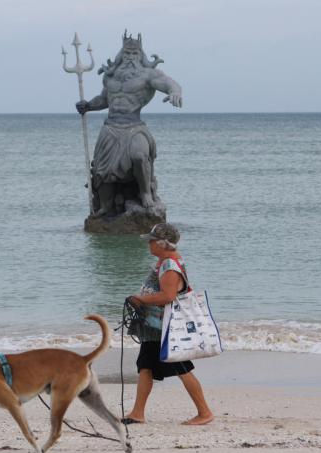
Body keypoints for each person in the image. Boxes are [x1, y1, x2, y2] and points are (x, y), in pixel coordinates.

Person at [76, 32, 182, 217]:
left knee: (139, 156)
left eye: (134, 54)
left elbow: (167, 82)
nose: (130, 58)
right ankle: (106, 206)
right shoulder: (111, 76)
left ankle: (146, 193)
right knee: (102, 170)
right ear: (120, 55)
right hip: (111, 127)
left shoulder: (148, 75)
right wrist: (88, 105)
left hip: (134, 127)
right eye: (127, 54)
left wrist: (176, 92)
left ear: (141, 56)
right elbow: (105, 99)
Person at [124, 223, 214, 426]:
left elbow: (168, 296)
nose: (149, 244)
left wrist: (139, 299)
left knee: (182, 368)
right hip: (155, 326)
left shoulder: (170, 267)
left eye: (152, 241)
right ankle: (137, 413)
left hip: (165, 329)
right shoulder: (165, 262)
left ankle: (205, 412)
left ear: (162, 244)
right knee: (145, 366)